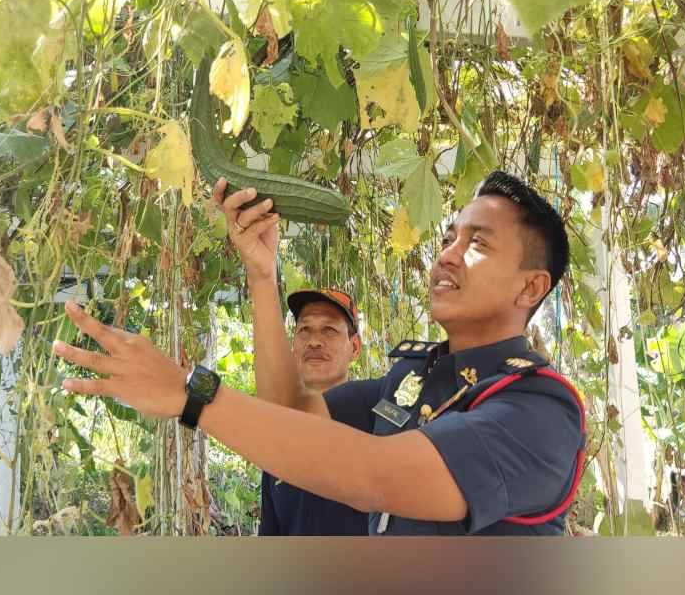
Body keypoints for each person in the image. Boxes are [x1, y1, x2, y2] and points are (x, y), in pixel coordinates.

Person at [52, 169, 585, 535]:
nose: (447, 255)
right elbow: (289, 410)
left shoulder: (538, 411)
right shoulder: (414, 379)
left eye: (478, 243)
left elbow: (374, 476)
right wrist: (264, 275)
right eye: (450, 236)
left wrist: (190, 393)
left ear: (530, 288)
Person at [258, 288, 368, 535]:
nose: (314, 341)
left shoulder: (378, 422)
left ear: (355, 347)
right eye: (304, 330)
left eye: (329, 330)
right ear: (294, 346)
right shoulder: (280, 438)